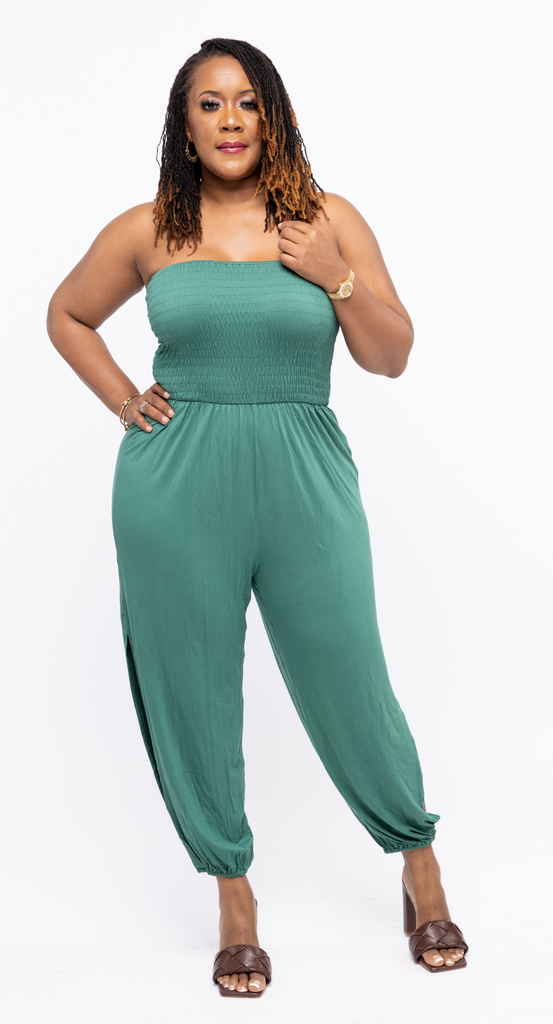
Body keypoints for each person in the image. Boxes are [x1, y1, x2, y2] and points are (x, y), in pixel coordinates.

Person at [46, 37, 468, 996]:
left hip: (303, 473)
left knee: (348, 672)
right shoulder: (149, 228)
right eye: (209, 104)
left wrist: (334, 274)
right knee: (192, 684)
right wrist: (123, 399)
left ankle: (419, 864)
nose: (230, 119)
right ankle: (233, 895)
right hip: (174, 482)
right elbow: (66, 314)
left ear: (274, 116)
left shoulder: (327, 219)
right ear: (184, 126)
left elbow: (390, 357)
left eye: (246, 101)